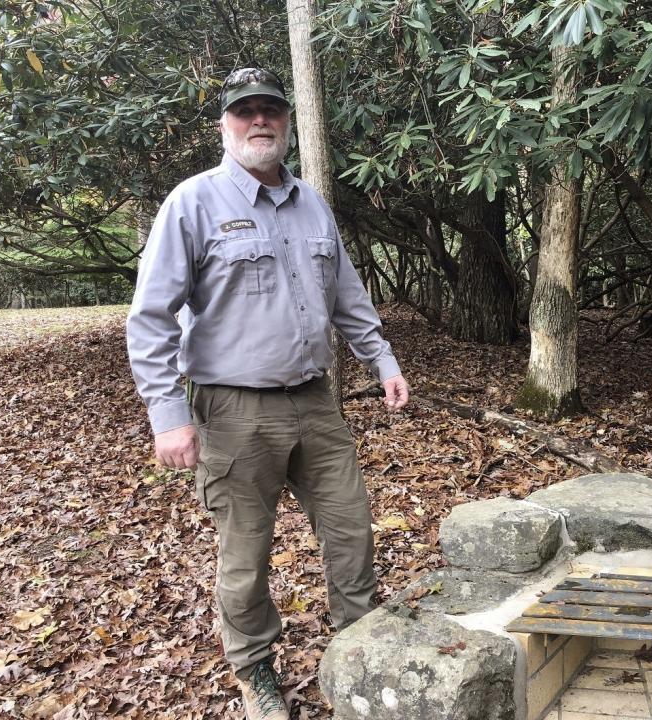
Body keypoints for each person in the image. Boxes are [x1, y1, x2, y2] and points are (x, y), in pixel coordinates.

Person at [125, 67, 409, 720]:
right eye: (245, 111)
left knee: (351, 529)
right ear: (225, 126)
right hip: (233, 411)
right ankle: (255, 671)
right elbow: (149, 317)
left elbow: (347, 296)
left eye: (270, 111)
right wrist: (168, 416)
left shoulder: (311, 205)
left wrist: (382, 359)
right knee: (247, 556)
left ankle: (357, 643)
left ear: (285, 122)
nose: (259, 121)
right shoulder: (192, 205)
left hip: (315, 401)